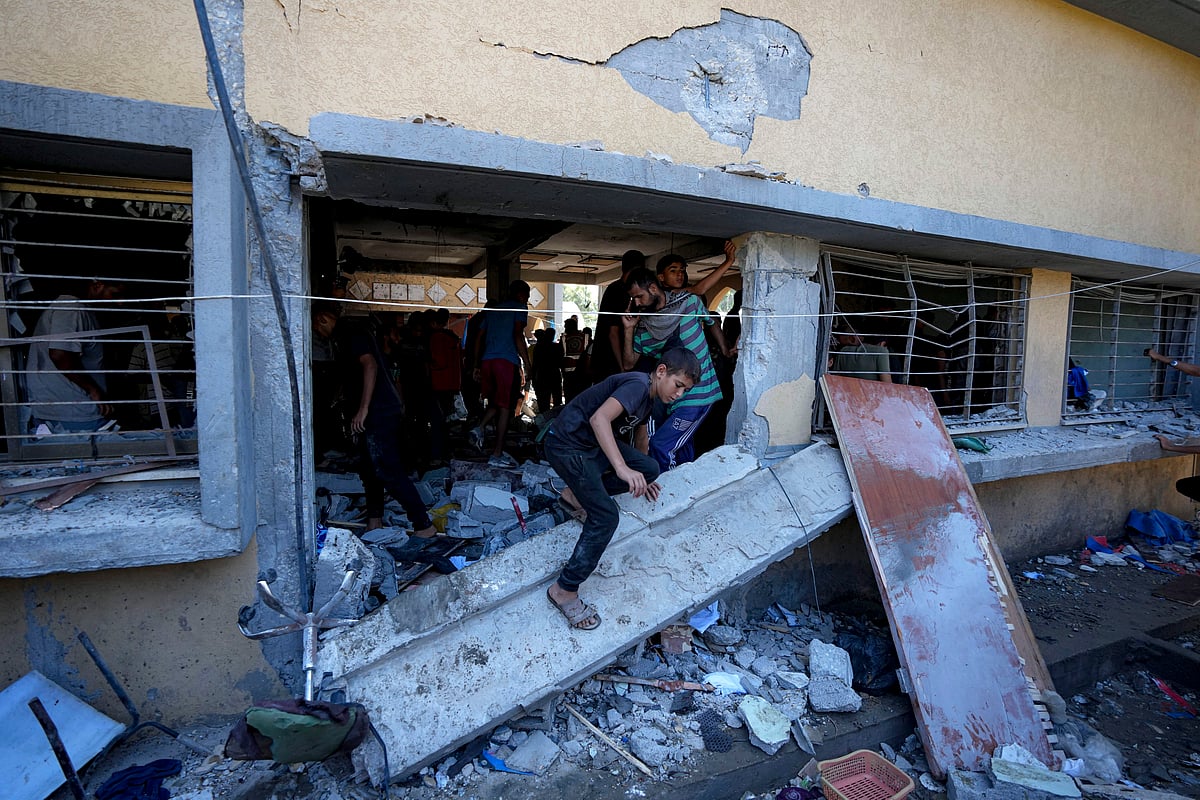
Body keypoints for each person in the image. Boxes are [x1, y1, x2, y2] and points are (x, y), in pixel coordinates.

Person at [544, 347, 700, 630]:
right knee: (605, 517)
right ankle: (564, 589)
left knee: (651, 468)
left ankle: (574, 494)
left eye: (684, 391)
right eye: (678, 386)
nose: (679, 395)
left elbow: (641, 439)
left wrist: (643, 477)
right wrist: (621, 468)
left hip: (590, 447)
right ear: (661, 372)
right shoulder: (637, 385)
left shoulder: (652, 400)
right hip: (568, 445)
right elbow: (599, 420)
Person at [621, 269, 731, 471]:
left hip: (699, 395)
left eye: (639, 296)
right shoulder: (646, 328)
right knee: (681, 446)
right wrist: (629, 330)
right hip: (670, 400)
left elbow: (710, 321)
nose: (636, 303)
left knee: (661, 445)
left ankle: (665, 493)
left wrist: (725, 349)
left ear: (653, 288)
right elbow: (628, 363)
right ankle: (686, 491)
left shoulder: (689, 303)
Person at [339, 315, 437, 537]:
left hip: (377, 412)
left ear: (324, 319)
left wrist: (363, 409)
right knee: (370, 468)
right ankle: (375, 521)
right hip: (377, 411)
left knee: (386, 468)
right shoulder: (365, 337)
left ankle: (423, 525)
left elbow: (370, 366)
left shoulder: (352, 334)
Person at [26, 278, 124, 433]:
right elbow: (59, 354)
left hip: (72, 409)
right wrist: (93, 390)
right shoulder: (71, 307)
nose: (120, 303)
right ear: (97, 285)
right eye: (115, 295)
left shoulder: (80, 309)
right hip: (72, 412)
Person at [469, 280, 531, 467]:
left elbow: (479, 337)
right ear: (520, 294)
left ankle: (479, 428)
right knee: (506, 408)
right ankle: (497, 452)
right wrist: (527, 363)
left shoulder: (493, 310)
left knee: (497, 401)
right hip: (505, 361)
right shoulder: (519, 308)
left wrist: (476, 364)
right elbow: (518, 335)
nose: (527, 299)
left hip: (488, 361)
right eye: (526, 295)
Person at [591, 250, 645, 385]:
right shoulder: (617, 291)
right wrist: (622, 367)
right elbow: (613, 333)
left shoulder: (620, 289)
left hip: (616, 361)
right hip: (610, 361)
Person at [530, 327, 563, 413]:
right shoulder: (556, 347)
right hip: (554, 375)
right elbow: (561, 363)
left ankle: (544, 422)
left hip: (542, 376)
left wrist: (533, 378)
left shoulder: (538, 347)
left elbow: (535, 365)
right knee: (557, 402)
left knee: (543, 404)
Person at [560, 316, 588, 401]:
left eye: (565, 326)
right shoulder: (585, 337)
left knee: (570, 398)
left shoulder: (564, 338)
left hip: (569, 373)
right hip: (583, 372)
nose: (564, 328)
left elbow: (561, 355)